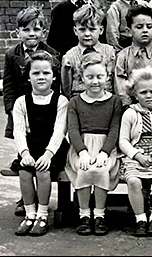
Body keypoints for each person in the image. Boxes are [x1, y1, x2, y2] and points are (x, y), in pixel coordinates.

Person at [3, 6, 60, 216]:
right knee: (24, 151)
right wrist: (11, 111)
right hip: (21, 111)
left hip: (44, 111)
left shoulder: (52, 54)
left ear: (43, 32)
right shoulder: (12, 55)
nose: (31, 34)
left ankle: (41, 195)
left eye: (36, 29)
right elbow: (8, 86)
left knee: (43, 151)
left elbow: (57, 86)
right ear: (18, 31)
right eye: (26, 29)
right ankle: (26, 197)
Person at [65, 53, 123, 236]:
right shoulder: (75, 102)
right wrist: (82, 152)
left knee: (100, 169)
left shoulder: (114, 101)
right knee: (85, 169)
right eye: (90, 77)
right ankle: (84, 214)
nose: (95, 81)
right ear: (82, 78)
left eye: (100, 76)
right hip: (81, 146)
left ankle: (99, 214)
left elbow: (114, 129)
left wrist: (105, 152)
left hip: (106, 147)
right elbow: (73, 130)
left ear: (107, 76)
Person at [12, 51, 69, 236]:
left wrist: (48, 154)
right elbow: (19, 131)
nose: (41, 77)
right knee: (24, 170)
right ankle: (30, 214)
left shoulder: (61, 101)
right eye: (36, 73)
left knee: (42, 169)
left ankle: (43, 215)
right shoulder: (21, 102)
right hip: (31, 146)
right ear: (29, 77)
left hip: (54, 149)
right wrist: (25, 153)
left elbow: (60, 131)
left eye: (46, 73)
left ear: (53, 77)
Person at [119, 67, 152, 237]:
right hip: (136, 157)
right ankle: (140, 219)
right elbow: (123, 141)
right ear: (134, 94)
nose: (148, 96)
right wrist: (136, 155)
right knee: (134, 181)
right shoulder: (130, 113)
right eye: (143, 92)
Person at [114, 5, 152, 106]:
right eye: (139, 27)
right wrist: (129, 106)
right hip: (128, 109)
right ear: (129, 31)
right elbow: (120, 87)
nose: (145, 30)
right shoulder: (122, 56)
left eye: (149, 27)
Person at [61, 4, 116, 98]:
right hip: (79, 101)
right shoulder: (70, 56)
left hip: (106, 99)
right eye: (82, 29)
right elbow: (66, 88)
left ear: (101, 30)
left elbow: (113, 83)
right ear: (75, 31)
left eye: (92, 29)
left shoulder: (110, 52)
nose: (87, 34)